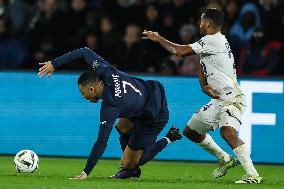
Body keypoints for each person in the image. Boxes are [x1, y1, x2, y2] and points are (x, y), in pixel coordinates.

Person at [142, 8, 263, 184]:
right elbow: (203, 65)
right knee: (191, 131)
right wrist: (204, 85)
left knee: (227, 132)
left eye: (201, 21)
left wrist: (158, 38)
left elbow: (179, 52)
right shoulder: (212, 42)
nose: (199, 24)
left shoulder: (213, 40)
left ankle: (253, 175)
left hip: (231, 98)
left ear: (207, 23)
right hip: (218, 99)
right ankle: (225, 159)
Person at [38, 47, 182, 180]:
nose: (83, 97)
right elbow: (84, 51)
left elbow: (101, 142)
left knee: (128, 163)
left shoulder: (111, 106)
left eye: (83, 93)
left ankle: (167, 139)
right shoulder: (106, 70)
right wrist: (54, 63)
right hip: (150, 91)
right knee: (122, 127)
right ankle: (132, 157)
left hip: (154, 114)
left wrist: (85, 172)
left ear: (92, 90)